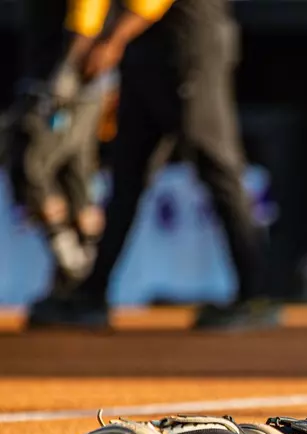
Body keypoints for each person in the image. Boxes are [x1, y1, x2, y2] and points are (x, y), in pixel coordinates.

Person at [27, 0, 277, 330]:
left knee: (218, 170)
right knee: (126, 178)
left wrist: (110, 42)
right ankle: (91, 294)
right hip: (143, 57)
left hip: (190, 52)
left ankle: (255, 296)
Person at [6, 0, 110, 296]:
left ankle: (76, 267)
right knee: (74, 178)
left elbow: (88, 14)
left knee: (30, 168)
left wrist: (66, 71)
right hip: (70, 84)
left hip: (63, 86)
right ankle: (75, 279)